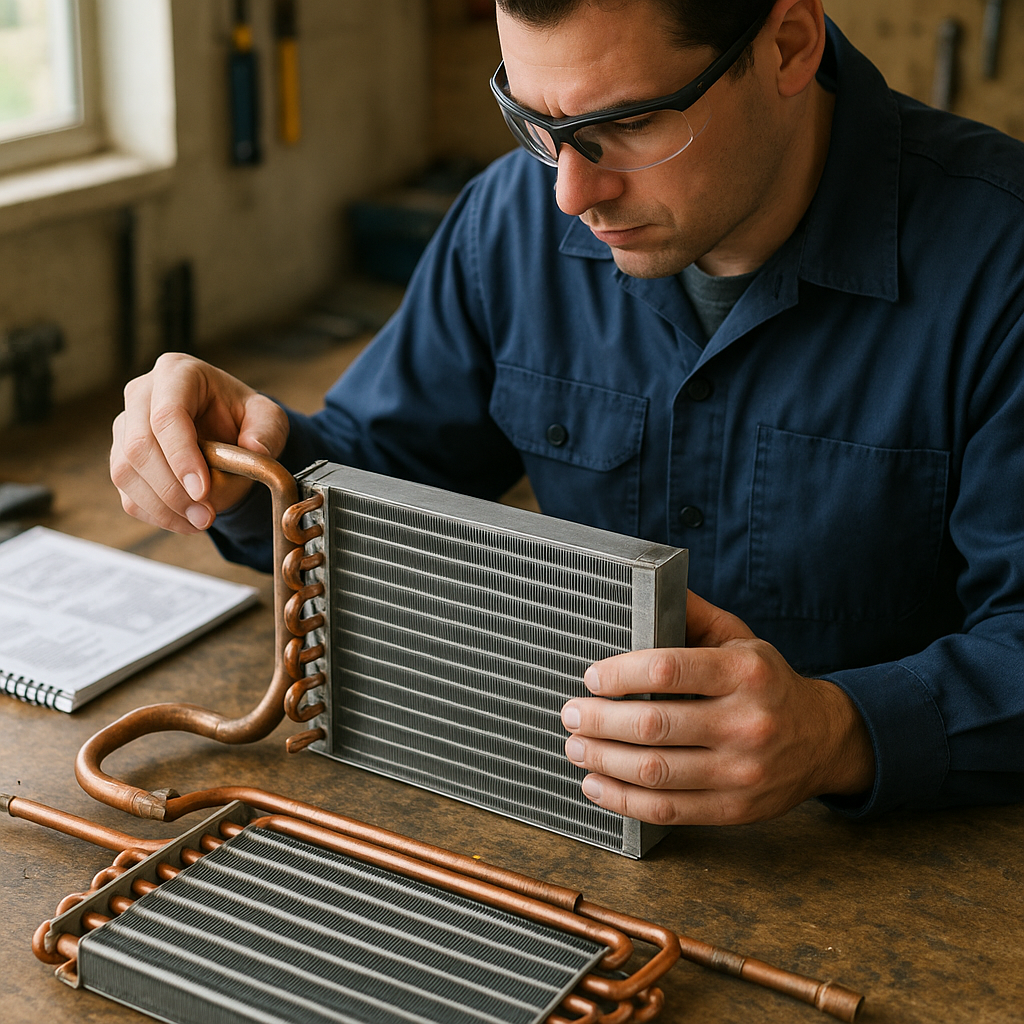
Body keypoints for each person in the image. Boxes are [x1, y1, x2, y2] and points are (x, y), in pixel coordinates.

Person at [110, 0, 1024, 827]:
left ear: (787, 46)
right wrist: (241, 463)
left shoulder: (1000, 263)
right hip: (566, 814)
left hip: (892, 867)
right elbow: (380, 476)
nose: (571, 195)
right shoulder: (509, 220)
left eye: (626, 124)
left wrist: (838, 734)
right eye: (536, 123)